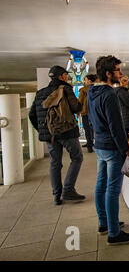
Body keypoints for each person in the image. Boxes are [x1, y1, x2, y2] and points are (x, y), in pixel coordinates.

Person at [87, 55, 129, 245]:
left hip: (100, 145)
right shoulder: (109, 94)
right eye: (118, 70)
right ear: (108, 73)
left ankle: (105, 223)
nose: (121, 73)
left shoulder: (91, 91)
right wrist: (125, 149)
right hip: (111, 147)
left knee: (101, 185)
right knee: (112, 189)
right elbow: (116, 126)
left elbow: (92, 121)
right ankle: (114, 233)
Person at [29, 65, 85, 205]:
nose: (67, 77)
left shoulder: (40, 93)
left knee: (55, 163)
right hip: (66, 132)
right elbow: (76, 108)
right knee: (77, 157)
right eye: (66, 75)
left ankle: (56, 195)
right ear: (61, 76)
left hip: (50, 135)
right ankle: (68, 190)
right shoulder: (65, 89)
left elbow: (32, 115)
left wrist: (44, 130)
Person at [78, 74, 97, 153]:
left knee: (87, 129)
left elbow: (80, 102)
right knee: (93, 129)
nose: (84, 81)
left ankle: (89, 145)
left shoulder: (83, 90)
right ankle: (91, 143)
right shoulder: (97, 89)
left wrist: (77, 111)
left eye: (85, 80)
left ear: (89, 81)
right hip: (94, 112)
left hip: (85, 112)